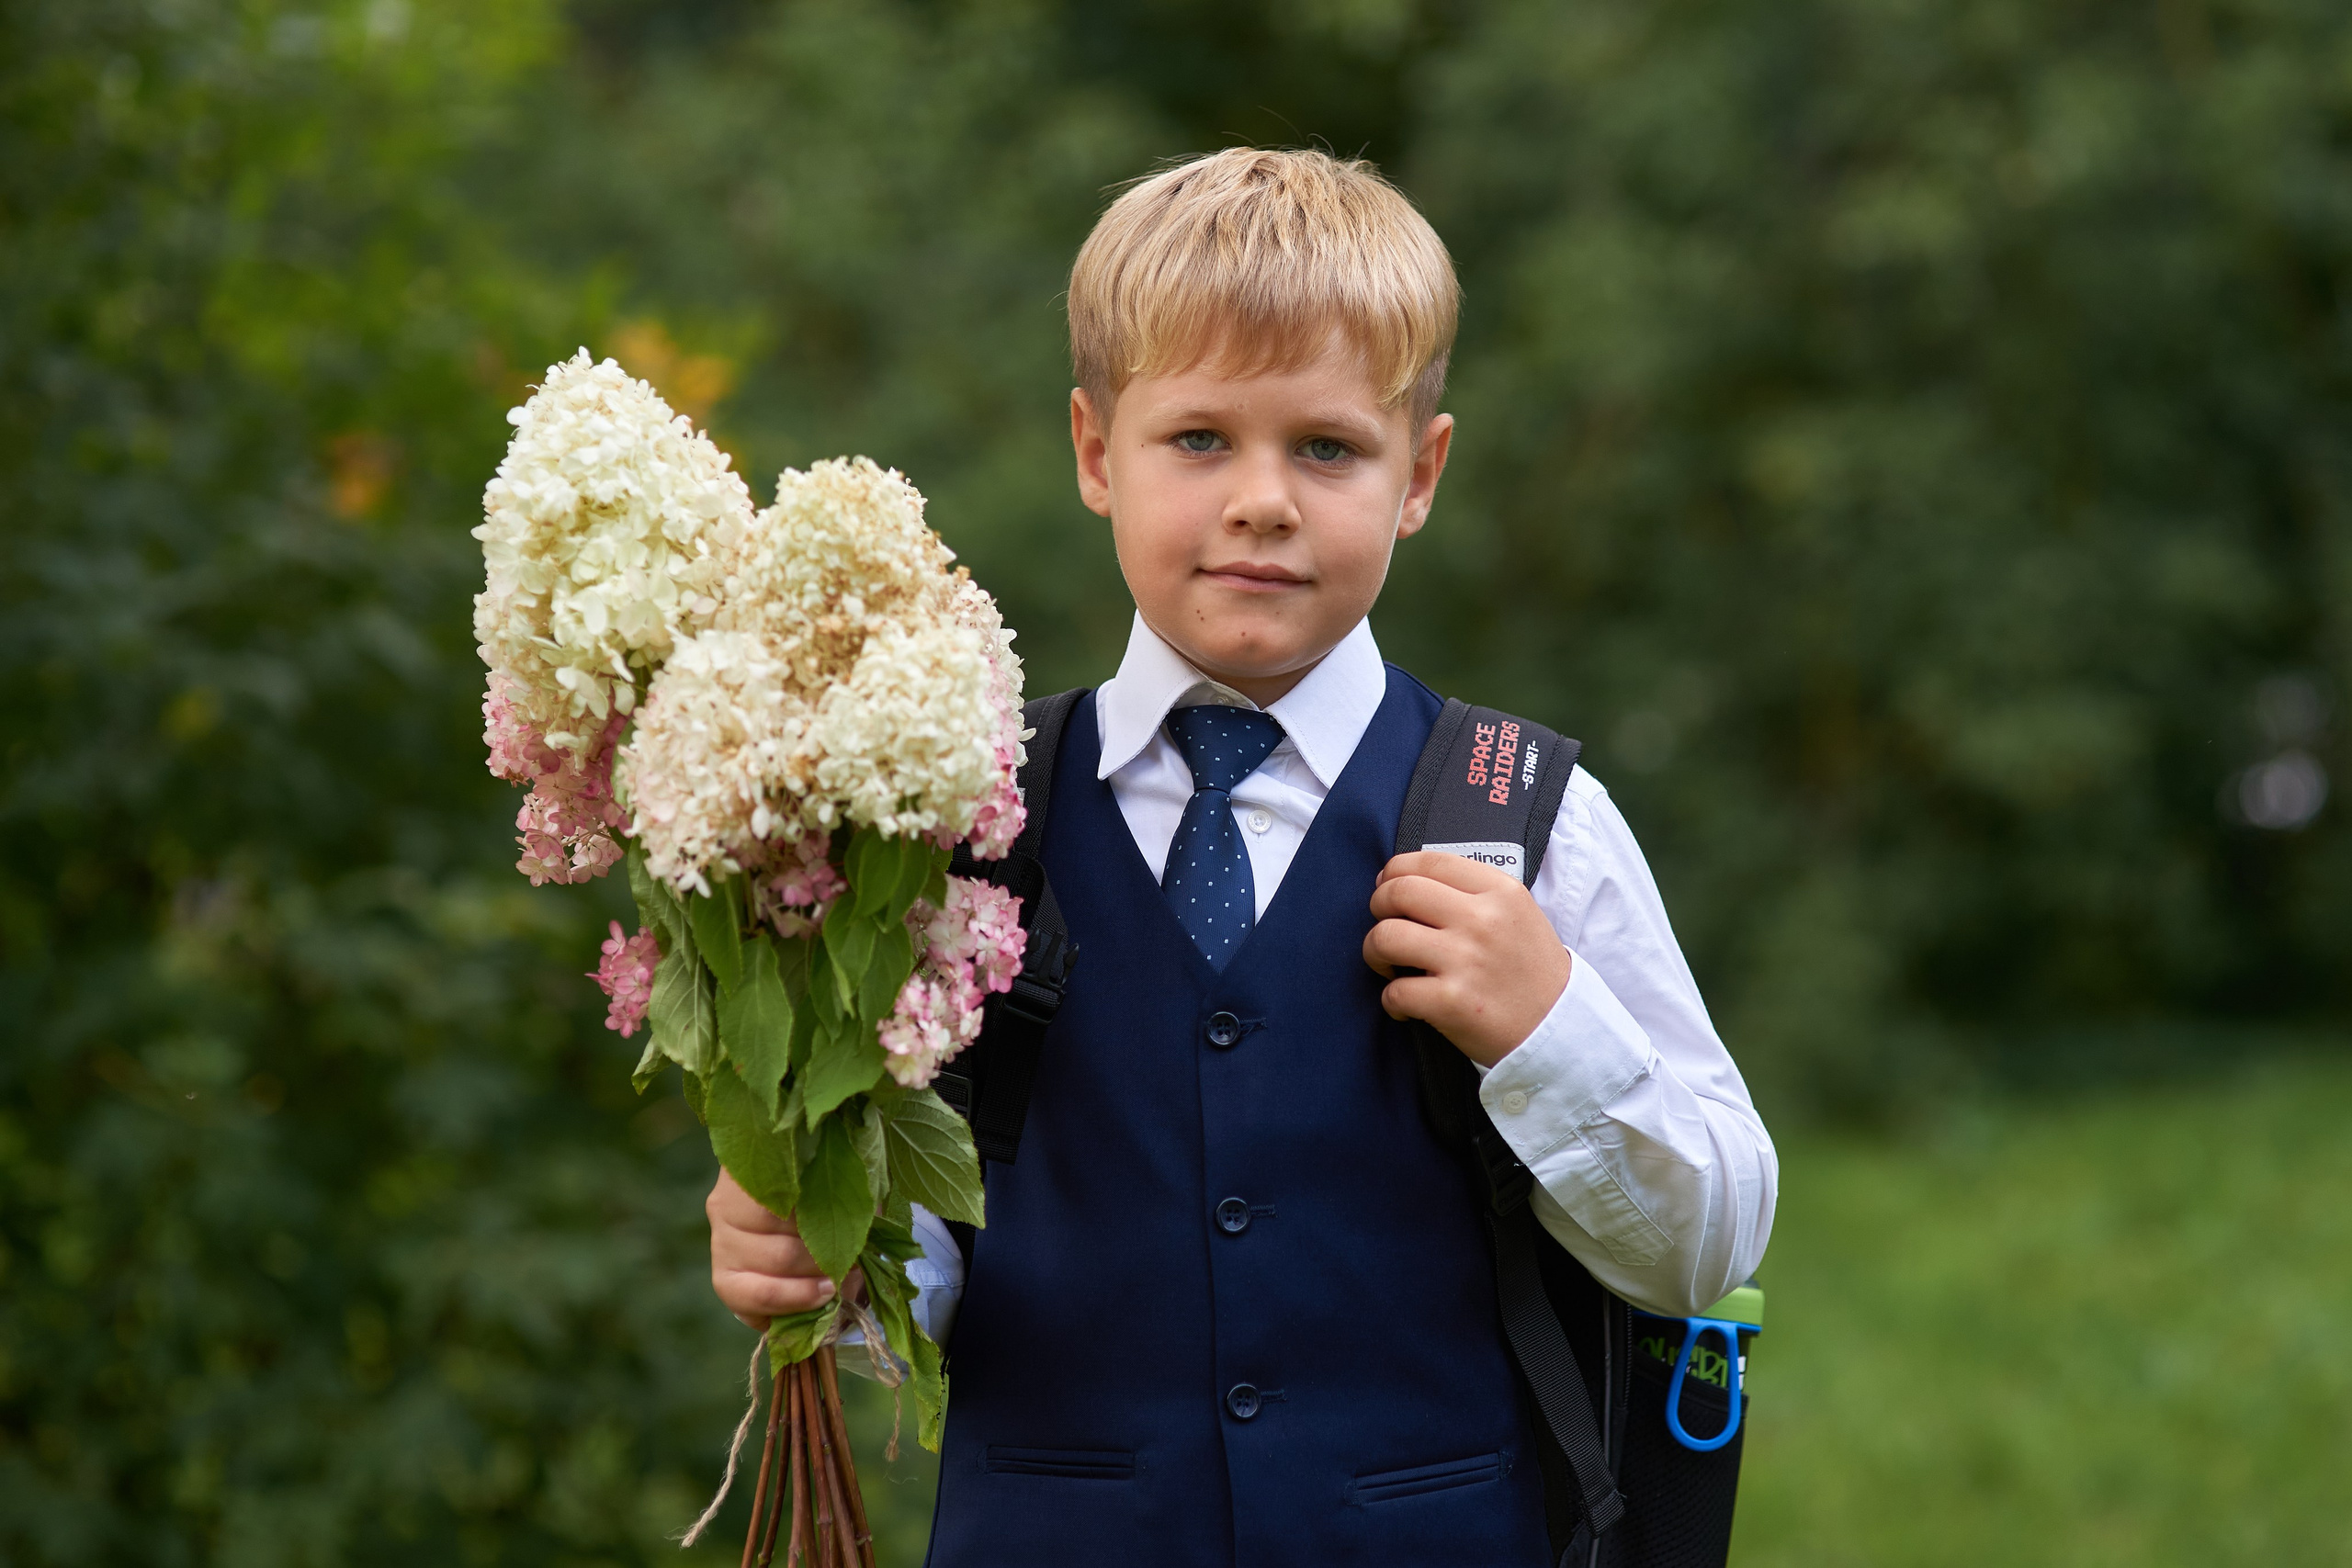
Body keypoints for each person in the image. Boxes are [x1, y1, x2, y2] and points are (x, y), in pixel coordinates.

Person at [706, 146, 1775, 1566]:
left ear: (1420, 475)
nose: (1263, 499)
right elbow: (925, 1256)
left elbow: (1711, 1241)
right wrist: (817, 1254)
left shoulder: (1519, 813)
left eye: (1327, 447)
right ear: (1096, 452)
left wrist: (1551, 1030)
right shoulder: (959, 817)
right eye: (1200, 439)